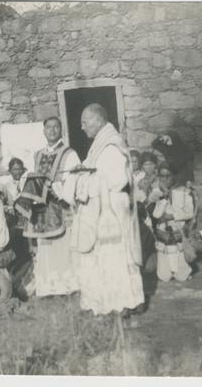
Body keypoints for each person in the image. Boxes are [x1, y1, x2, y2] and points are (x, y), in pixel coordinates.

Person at [67, 103, 144, 316]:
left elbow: (117, 180)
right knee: (104, 256)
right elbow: (97, 170)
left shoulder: (111, 145)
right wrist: (84, 171)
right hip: (102, 204)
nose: (82, 128)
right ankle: (112, 301)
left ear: (98, 120)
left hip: (111, 207)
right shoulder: (99, 146)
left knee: (115, 256)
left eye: (84, 122)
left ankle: (121, 303)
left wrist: (86, 179)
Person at [20, 116, 81, 297]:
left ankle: (66, 286)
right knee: (45, 247)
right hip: (41, 209)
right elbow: (31, 177)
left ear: (61, 130)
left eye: (56, 127)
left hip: (60, 206)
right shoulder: (37, 154)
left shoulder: (69, 154)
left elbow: (75, 178)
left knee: (62, 246)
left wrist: (58, 189)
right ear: (44, 131)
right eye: (49, 127)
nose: (52, 130)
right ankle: (47, 287)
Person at [147, 162, 195, 282]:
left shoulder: (184, 191)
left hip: (178, 233)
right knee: (164, 276)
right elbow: (156, 214)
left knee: (181, 276)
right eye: (162, 176)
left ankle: (182, 269)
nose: (165, 179)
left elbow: (190, 212)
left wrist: (172, 216)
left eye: (168, 176)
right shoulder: (155, 192)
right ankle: (166, 268)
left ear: (174, 176)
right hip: (163, 236)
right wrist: (162, 197)